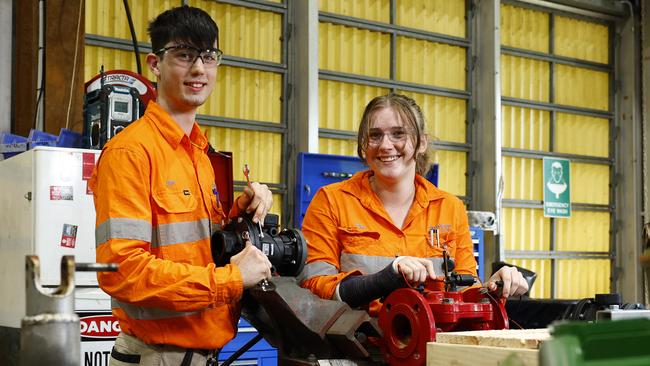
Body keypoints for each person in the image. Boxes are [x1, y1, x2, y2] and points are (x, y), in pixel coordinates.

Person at [90, 6, 273, 365]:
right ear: (155, 64)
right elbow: (123, 271)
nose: (199, 68)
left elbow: (196, 248)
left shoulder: (200, 154)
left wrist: (241, 213)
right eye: (184, 54)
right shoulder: (130, 152)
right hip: (155, 357)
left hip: (203, 355)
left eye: (208, 55)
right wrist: (231, 280)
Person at [299, 93, 528, 315]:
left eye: (398, 134)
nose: (386, 145)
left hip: (430, 343)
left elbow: (462, 293)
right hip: (359, 344)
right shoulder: (332, 201)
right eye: (375, 135)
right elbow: (315, 285)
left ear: (422, 143)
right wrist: (384, 279)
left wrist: (492, 289)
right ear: (363, 144)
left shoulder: (449, 208)